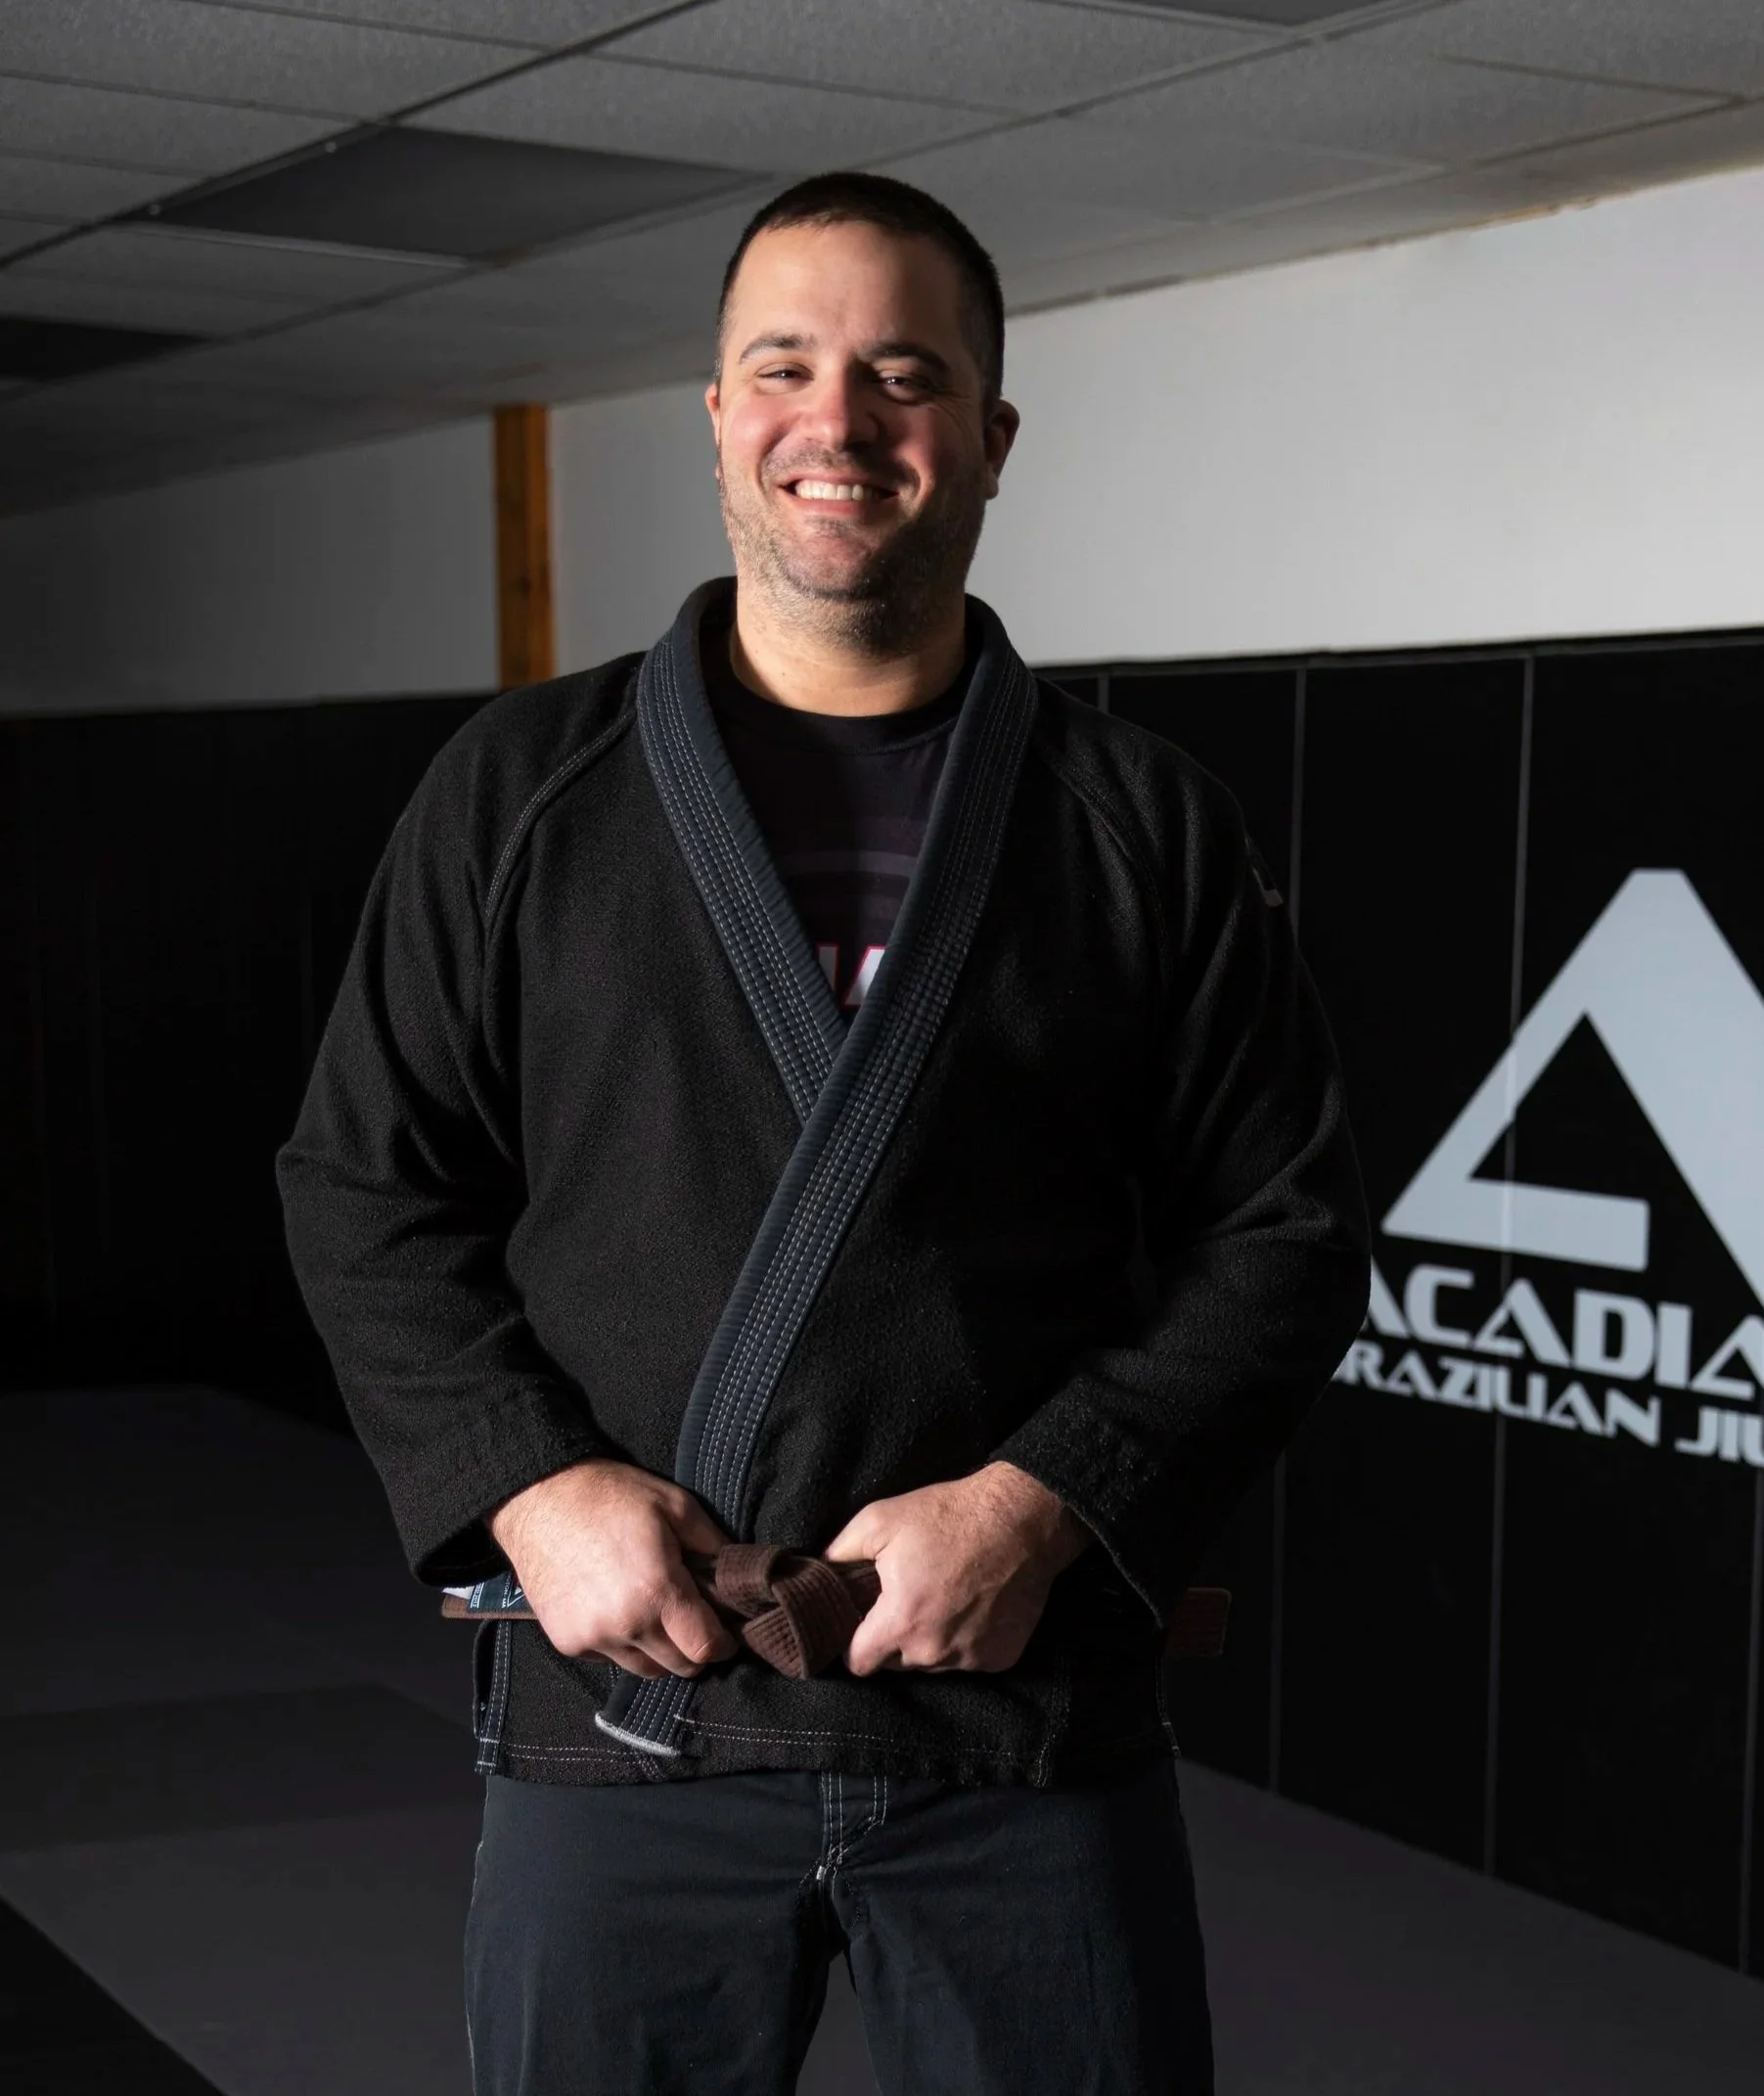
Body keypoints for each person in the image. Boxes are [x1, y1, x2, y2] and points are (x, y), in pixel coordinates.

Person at [278, 170, 1369, 2096]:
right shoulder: (525, 794)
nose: (838, 422)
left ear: (991, 436)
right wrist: (533, 1487)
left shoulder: (1137, 822)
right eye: (782, 366)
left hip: (1022, 1735)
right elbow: (366, 1180)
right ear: (714, 416)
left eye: (903, 374)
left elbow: (1278, 1230)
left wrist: (1043, 1501)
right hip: (626, 1720)